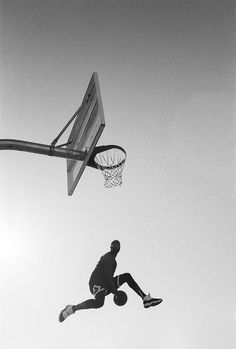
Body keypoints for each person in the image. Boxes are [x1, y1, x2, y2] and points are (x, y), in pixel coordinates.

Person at [59, 240, 162, 322]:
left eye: (118, 245)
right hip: (96, 282)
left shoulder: (113, 260)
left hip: (106, 283)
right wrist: (115, 292)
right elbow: (108, 277)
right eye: (114, 245)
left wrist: (115, 292)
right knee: (99, 303)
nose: (117, 247)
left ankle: (145, 298)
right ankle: (72, 309)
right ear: (111, 247)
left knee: (127, 276)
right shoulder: (109, 258)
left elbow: (109, 278)